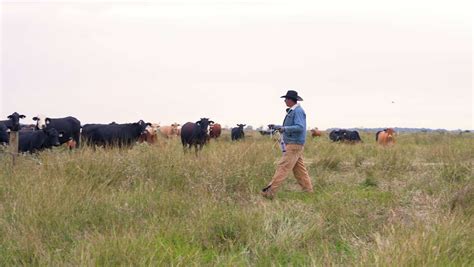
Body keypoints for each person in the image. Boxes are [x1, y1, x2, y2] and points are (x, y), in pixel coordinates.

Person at [261, 90, 313, 199]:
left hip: (294, 144)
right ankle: (308, 191)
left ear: (291, 100)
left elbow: (300, 127)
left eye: (286, 99)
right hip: (295, 144)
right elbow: (293, 126)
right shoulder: (294, 111)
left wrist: (284, 128)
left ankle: (270, 192)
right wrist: (276, 126)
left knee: (283, 167)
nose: (284, 101)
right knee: (299, 169)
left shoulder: (297, 111)